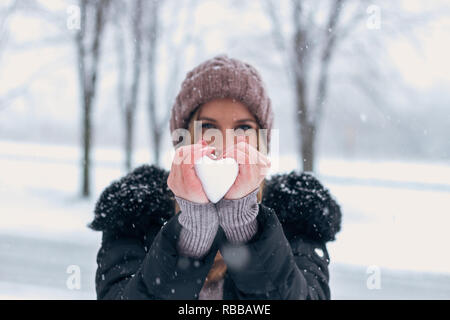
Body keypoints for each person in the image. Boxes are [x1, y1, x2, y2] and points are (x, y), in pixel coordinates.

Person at [88, 54, 342, 300]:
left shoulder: (298, 213)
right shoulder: (135, 212)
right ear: (184, 139)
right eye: (207, 127)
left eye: (243, 127)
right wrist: (192, 234)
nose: (225, 143)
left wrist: (244, 226)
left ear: (262, 142)